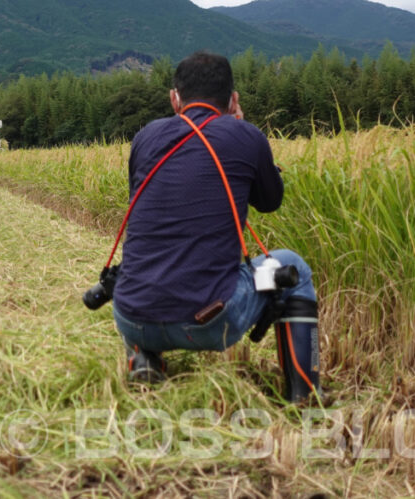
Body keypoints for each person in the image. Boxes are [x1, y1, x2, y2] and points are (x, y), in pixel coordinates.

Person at [111, 51, 320, 403]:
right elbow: (270, 202)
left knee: (152, 270)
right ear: (233, 99)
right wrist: (244, 133)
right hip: (210, 321)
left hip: (130, 316)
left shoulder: (145, 137)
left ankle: (145, 355)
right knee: (292, 266)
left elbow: (141, 203)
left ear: (174, 98)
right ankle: (305, 396)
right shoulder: (246, 135)